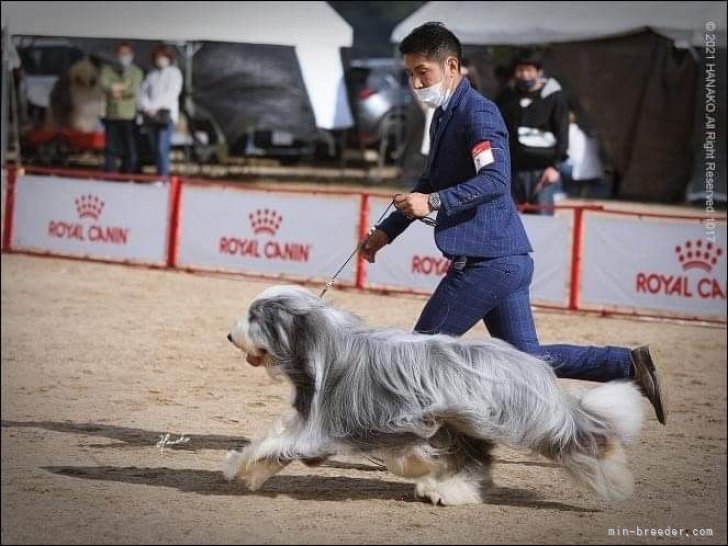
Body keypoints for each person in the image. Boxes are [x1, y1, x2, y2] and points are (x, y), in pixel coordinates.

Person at [359, 22, 666, 425]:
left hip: (487, 262)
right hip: (505, 258)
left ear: (451, 67)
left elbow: (493, 180)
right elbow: (429, 181)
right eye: (411, 74)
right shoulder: (442, 116)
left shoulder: (479, 112)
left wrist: (432, 201)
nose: (416, 83)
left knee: (420, 355)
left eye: (423, 73)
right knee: (527, 359)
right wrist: (386, 231)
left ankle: (406, 436)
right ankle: (628, 365)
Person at [496, 48, 568, 216]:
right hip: (512, 171)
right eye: (520, 70)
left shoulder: (554, 97)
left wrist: (555, 167)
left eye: (529, 70)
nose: (525, 75)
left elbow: (563, 132)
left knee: (542, 221)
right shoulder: (506, 97)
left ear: (539, 71)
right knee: (510, 220)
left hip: (543, 173)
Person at [137, 44, 183, 176]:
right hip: (151, 116)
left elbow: (172, 93)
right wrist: (147, 107)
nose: (160, 59)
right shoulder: (152, 74)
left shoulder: (174, 73)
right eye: (158, 57)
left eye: (163, 57)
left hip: (165, 116)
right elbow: (142, 92)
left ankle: (163, 178)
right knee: (155, 149)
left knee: (162, 148)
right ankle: (159, 175)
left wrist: (155, 106)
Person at [99, 41, 143, 174]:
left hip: (128, 116)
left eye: (126, 53)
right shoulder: (107, 69)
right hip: (111, 115)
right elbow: (104, 84)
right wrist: (123, 86)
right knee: (110, 149)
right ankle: (110, 175)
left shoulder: (136, 71)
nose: (124, 56)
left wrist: (116, 88)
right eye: (121, 54)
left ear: (132, 55)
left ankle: (127, 175)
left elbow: (133, 89)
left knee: (130, 149)